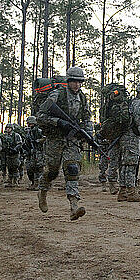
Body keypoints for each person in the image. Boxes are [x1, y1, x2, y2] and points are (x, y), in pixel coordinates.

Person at [37, 66, 92, 220]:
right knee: (52, 171)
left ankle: (74, 205)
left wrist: (88, 134)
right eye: (74, 81)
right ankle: (42, 191)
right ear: (68, 81)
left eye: (80, 82)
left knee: (72, 169)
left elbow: (87, 118)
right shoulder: (57, 95)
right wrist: (58, 122)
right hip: (55, 139)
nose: (77, 85)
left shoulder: (82, 98)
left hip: (71, 139)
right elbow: (40, 116)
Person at [109, 82, 140, 202]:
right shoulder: (137, 104)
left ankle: (123, 192)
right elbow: (139, 122)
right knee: (131, 164)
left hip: (125, 137)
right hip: (131, 137)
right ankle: (131, 192)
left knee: (125, 165)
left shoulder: (132, 102)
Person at [23, 116, 45, 191]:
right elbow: (27, 142)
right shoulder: (30, 132)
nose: (29, 124)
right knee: (31, 168)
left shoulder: (39, 131)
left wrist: (38, 141)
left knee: (39, 168)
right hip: (32, 152)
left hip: (39, 152)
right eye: (28, 123)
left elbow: (45, 138)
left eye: (30, 123)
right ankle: (34, 182)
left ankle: (38, 184)